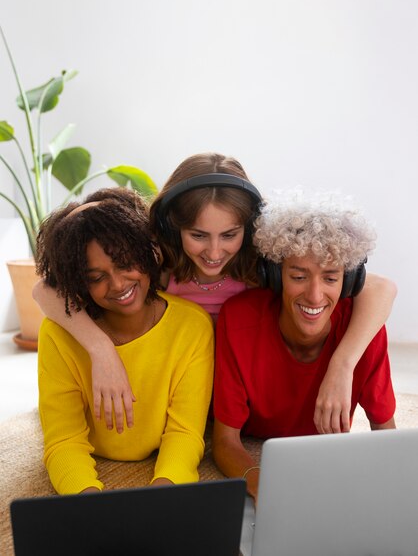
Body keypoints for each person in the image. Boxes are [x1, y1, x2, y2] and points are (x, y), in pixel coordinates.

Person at [33, 153, 397, 436]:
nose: (214, 252)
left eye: (229, 235)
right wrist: (100, 349)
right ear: (172, 227)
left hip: (235, 400)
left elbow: (382, 288)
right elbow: (43, 289)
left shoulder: (260, 269)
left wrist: (342, 365)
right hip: (175, 394)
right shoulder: (159, 266)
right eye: (198, 235)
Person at [212, 189, 396, 503]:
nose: (314, 296)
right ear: (276, 275)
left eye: (330, 278)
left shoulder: (362, 331)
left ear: (349, 281)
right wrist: (262, 486)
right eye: (298, 276)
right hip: (257, 441)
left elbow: (388, 436)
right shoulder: (238, 320)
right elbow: (225, 441)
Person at [36, 188, 214, 494]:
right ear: (78, 281)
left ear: (147, 252)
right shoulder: (58, 335)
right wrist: (88, 498)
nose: (117, 284)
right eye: (95, 277)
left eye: (124, 263)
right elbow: (64, 440)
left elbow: (184, 433)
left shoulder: (192, 326)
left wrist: (165, 489)